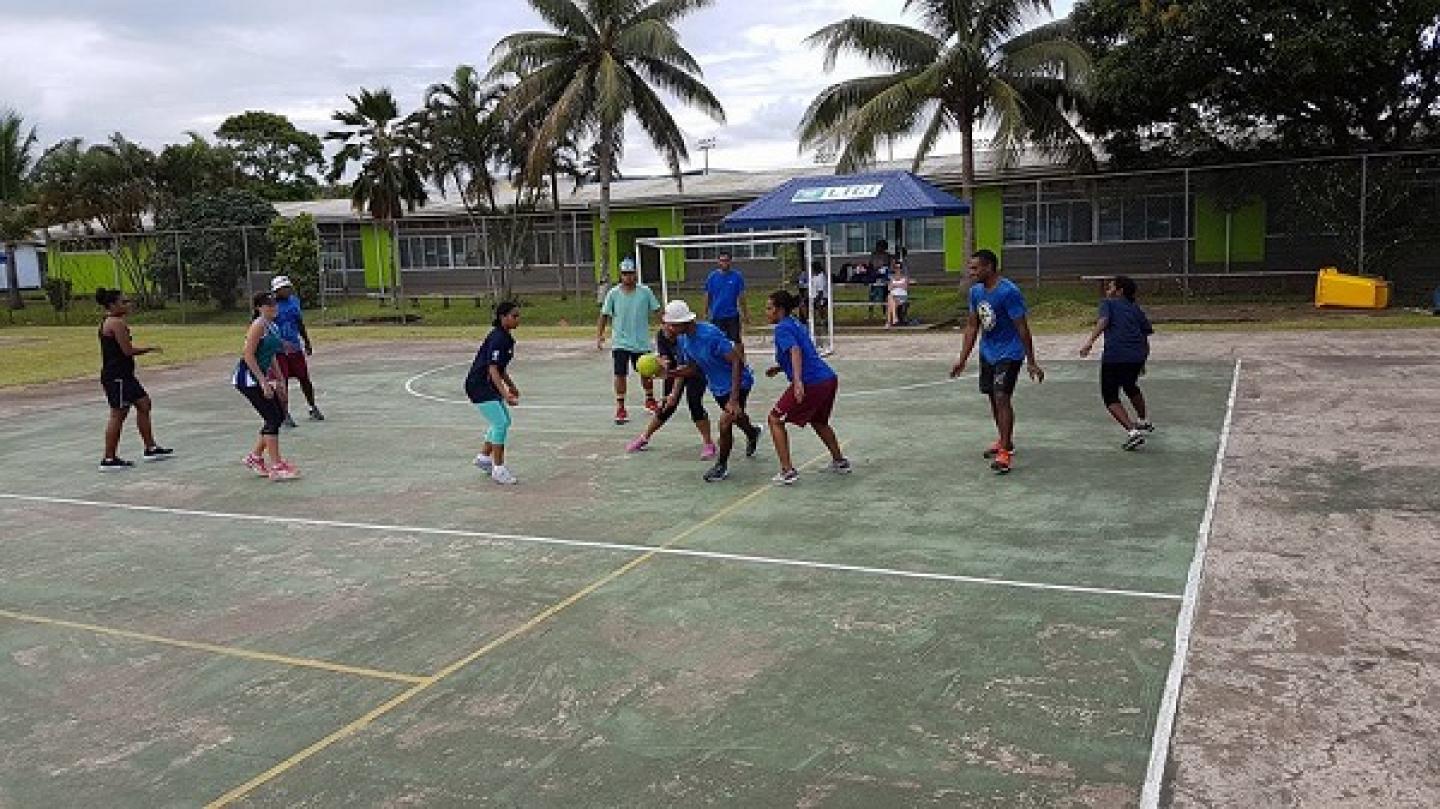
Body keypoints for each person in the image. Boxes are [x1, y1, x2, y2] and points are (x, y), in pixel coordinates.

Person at [948, 249, 1044, 474]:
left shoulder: (1008, 292)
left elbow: (1022, 327)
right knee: (993, 397)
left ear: (989, 267)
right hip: (988, 352)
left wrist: (1031, 360)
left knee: (1002, 397)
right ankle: (1004, 440)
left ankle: (1005, 453)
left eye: (975, 268)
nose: (971, 272)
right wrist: (962, 359)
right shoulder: (975, 292)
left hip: (1010, 352)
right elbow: (972, 326)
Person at [660, 299, 762, 482]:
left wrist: (734, 398)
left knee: (725, 423)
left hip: (738, 383)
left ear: (684, 322)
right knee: (737, 418)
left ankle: (721, 466)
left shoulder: (710, 334)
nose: (669, 328)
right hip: (717, 387)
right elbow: (693, 368)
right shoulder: (684, 341)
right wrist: (669, 372)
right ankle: (752, 432)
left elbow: (736, 361)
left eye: (673, 325)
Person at [764, 290, 850, 485]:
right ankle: (840, 462)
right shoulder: (795, 323)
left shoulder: (782, 329)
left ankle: (787, 471)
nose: (766, 312)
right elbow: (805, 351)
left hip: (812, 381)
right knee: (819, 421)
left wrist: (798, 381)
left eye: (769, 308)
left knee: (774, 419)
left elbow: (795, 350)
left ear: (780, 310)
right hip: (828, 378)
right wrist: (780, 367)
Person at [95, 288, 172, 471]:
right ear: (112, 305)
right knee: (118, 414)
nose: (127, 305)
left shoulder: (116, 322)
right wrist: (149, 349)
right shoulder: (115, 323)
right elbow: (127, 351)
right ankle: (109, 459)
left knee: (144, 404)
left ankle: (150, 448)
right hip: (116, 377)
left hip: (125, 376)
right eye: (123, 302)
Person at [1080, 275, 1155, 450]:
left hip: (1116, 356)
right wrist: (1142, 359)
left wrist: (1090, 341)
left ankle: (1132, 432)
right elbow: (1144, 335)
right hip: (1136, 355)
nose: (1108, 289)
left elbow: (1104, 321)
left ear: (1119, 291)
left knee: (1110, 396)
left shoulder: (1108, 303)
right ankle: (1143, 420)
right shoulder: (1136, 309)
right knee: (1130, 385)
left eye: (1111, 286)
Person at [233, 291, 300, 481]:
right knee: (272, 418)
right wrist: (263, 381)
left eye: (274, 305)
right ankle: (276, 466)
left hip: (259, 376)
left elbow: (271, 355)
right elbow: (248, 355)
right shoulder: (258, 326)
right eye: (268, 305)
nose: (273, 308)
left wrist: (279, 380)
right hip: (247, 378)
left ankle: (254, 457)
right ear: (259, 308)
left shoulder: (273, 327)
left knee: (277, 415)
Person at [625, 325, 717, 459]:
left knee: (694, 403)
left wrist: (674, 392)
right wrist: (660, 365)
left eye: (670, 326)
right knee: (666, 406)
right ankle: (644, 437)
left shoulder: (684, 338)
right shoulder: (661, 335)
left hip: (694, 371)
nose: (666, 329)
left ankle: (709, 443)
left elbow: (683, 366)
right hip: (674, 372)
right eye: (665, 324)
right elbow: (667, 359)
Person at [596, 257, 660, 424]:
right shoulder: (613, 294)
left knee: (646, 372)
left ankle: (650, 399)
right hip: (620, 342)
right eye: (625, 274)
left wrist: (667, 327)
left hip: (641, 342)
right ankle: (621, 407)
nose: (628, 277)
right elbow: (604, 315)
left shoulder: (645, 292)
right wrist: (600, 335)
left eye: (631, 273)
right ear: (621, 275)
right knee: (620, 374)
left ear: (636, 274)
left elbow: (657, 310)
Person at [466, 301, 522, 485]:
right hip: (479, 385)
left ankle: (483, 458)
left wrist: (511, 386)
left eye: (518, 315)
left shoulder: (506, 338)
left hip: (488, 384)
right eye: (514, 316)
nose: (517, 319)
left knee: (503, 420)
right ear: (502, 317)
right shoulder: (498, 338)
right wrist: (505, 394)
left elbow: (501, 368)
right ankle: (498, 468)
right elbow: (492, 369)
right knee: (500, 422)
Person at [270, 275, 324, 427]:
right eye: (283, 288)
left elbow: (299, 322)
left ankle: (312, 406)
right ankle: (284, 413)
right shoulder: (271, 305)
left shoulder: (294, 301)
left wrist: (306, 342)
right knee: (282, 381)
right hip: (278, 351)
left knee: (304, 378)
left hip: (295, 348)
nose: (287, 290)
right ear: (276, 291)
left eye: (288, 287)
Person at [702, 249, 748, 342]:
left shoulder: (737, 276)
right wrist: (705, 312)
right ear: (718, 262)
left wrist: (745, 314)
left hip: (732, 315)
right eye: (722, 260)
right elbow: (707, 295)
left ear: (730, 261)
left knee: (736, 341)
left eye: (726, 260)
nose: (724, 263)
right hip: (717, 315)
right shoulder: (712, 277)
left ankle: (739, 356)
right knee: (718, 341)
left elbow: (741, 296)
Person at [885, 259, 911, 328]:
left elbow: (905, 287)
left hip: (902, 296)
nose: (897, 270)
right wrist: (898, 285)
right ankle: (894, 319)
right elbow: (889, 288)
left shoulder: (904, 277)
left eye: (899, 268)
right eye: (896, 268)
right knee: (891, 299)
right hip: (894, 296)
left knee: (890, 302)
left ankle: (889, 321)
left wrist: (895, 285)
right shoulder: (892, 278)